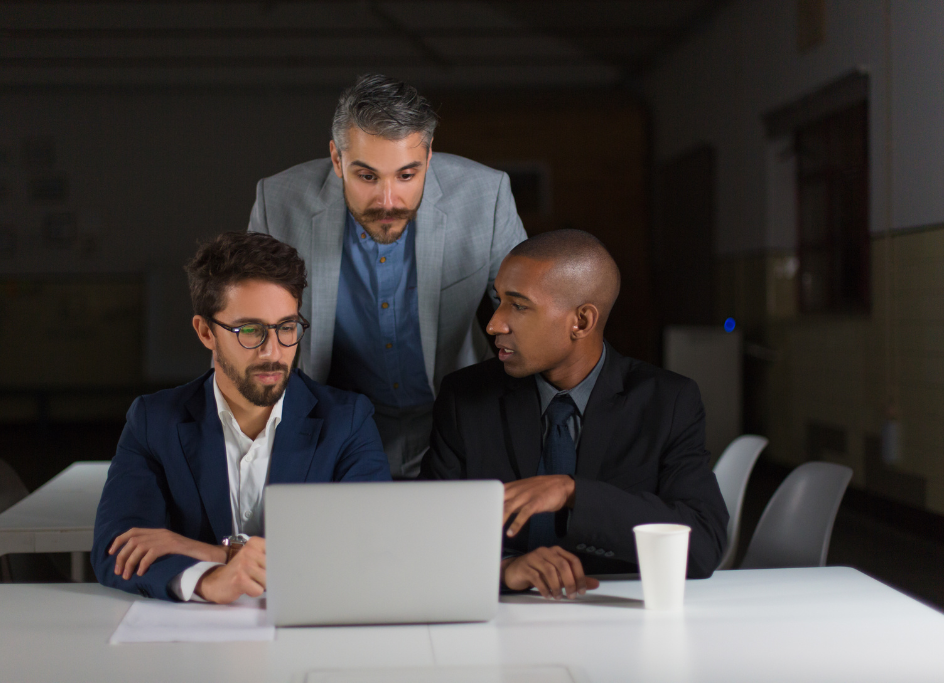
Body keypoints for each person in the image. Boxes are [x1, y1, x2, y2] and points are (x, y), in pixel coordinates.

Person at [420, 229, 728, 599]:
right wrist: (503, 570)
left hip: (615, 616)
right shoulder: (464, 397)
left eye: (518, 306)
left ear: (581, 321)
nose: (494, 323)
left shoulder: (667, 401)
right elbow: (427, 537)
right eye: (498, 300)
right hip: (499, 616)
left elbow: (703, 546)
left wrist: (574, 493)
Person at [248, 74, 527, 478]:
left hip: (458, 421)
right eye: (367, 176)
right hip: (333, 430)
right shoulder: (278, 202)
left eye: (406, 175)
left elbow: (528, 316)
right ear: (337, 159)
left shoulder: (487, 195)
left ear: (429, 157)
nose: (388, 200)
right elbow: (250, 331)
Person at [91, 232, 391, 603]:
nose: (273, 351)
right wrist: (207, 583)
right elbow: (116, 550)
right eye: (250, 330)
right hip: (190, 643)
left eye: (286, 328)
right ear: (205, 332)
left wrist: (217, 557)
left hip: (308, 636)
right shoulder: (154, 420)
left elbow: (370, 549)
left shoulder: (347, 421)